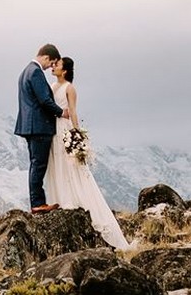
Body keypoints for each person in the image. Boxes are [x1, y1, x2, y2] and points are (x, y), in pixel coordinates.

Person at [44, 57, 129, 250]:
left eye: (57, 65)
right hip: (53, 129)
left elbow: (73, 111)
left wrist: (77, 135)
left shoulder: (69, 88)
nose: (53, 67)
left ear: (64, 70)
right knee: (57, 164)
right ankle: (60, 199)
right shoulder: (52, 85)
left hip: (64, 129)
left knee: (70, 166)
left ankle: (74, 202)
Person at [14, 44, 69, 214]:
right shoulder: (36, 72)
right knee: (39, 165)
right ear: (45, 57)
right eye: (51, 63)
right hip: (39, 126)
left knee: (36, 164)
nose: (50, 67)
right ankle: (38, 203)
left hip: (30, 126)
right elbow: (44, 100)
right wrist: (61, 112)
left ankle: (38, 202)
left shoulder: (25, 71)